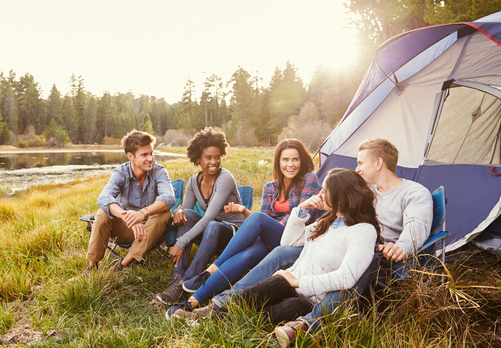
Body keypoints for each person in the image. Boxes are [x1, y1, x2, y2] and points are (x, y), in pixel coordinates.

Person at [174, 139, 433, 335]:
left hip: (379, 255)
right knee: (279, 252)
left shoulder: (413, 192)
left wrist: (401, 247)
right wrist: (305, 213)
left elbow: (414, 228)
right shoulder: (365, 191)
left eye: (360, 162)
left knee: (273, 250)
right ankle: (219, 302)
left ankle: (304, 321)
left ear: (378, 163)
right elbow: (337, 220)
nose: (357, 168)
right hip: (336, 243)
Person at [223, 168, 382, 348]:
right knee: (252, 297)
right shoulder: (327, 222)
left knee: (271, 314)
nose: (319, 194)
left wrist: (298, 282)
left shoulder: (362, 230)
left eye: (324, 190)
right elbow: (288, 241)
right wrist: (302, 209)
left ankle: (255, 330)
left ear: (339, 198)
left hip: (310, 299)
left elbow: (347, 277)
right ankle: (215, 312)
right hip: (289, 285)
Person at [165, 139, 320, 319]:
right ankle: (194, 301)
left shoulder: (310, 179)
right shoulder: (270, 187)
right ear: (278, 161)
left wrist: (257, 218)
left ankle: (211, 270)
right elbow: (263, 220)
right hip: (273, 239)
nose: (290, 164)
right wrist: (245, 212)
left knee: (257, 219)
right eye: (285, 160)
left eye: (295, 159)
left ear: (302, 161)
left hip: (296, 238)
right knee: (246, 255)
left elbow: (296, 217)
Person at [155, 128, 246, 304]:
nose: (214, 162)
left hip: (235, 235)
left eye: (217, 156)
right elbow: (185, 212)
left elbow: (209, 216)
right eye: (208, 158)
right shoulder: (193, 182)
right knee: (187, 214)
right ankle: (178, 277)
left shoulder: (225, 178)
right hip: (213, 232)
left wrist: (180, 243)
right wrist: (178, 210)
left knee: (211, 224)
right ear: (198, 159)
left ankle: (188, 281)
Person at [85, 130, 175, 272]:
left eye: (151, 153)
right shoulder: (120, 173)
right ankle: (92, 266)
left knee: (165, 212)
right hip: (125, 229)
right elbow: (104, 198)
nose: (150, 158)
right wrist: (129, 217)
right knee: (103, 213)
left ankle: (123, 264)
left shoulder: (159, 171)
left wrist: (142, 213)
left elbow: (169, 198)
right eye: (144, 155)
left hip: (151, 230)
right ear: (130, 156)